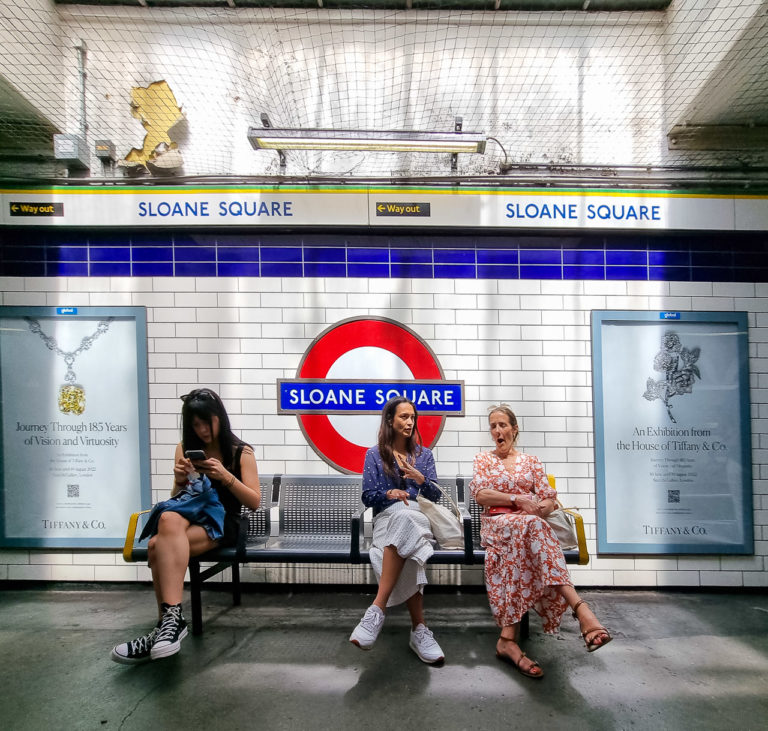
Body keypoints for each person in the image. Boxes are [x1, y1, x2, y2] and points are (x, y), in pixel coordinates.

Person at [111, 388, 260, 664]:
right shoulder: (184, 449)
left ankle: (165, 626)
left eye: (207, 422)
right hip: (190, 518)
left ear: (219, 418)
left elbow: (253, 501)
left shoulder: (241, 451)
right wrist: (180, 480)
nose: (202, 430)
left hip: (224, 522)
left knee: (156, 545)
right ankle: (169, 626)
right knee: (167, 520)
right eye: (195, 424)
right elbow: (177, 497)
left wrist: (225, 476)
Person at [470, 404, 612, 679]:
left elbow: (548, 498)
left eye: (502, 425)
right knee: (532, 528)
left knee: (526, 537)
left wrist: (538, 509)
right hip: (496, 525)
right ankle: (581, 610)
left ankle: (507, 640)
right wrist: (517, 499)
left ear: (514, 429)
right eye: (493, 426)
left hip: (526, 528)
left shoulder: (531, 461)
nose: (497, 431)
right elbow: (481, 495)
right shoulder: (483, 459)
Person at [349, 396, 446, 665]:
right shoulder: (374, 455)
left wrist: (421, 479)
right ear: (390, 420)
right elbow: (368, 496)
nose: (409, 422)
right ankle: (420, 630)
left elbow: (435, 497)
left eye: (412, 417)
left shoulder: (424, 456)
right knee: (410, 547)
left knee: (408, 523)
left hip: (419, 516)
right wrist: (389, 493)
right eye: (404, 417)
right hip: (387, 518)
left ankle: (376, 609)